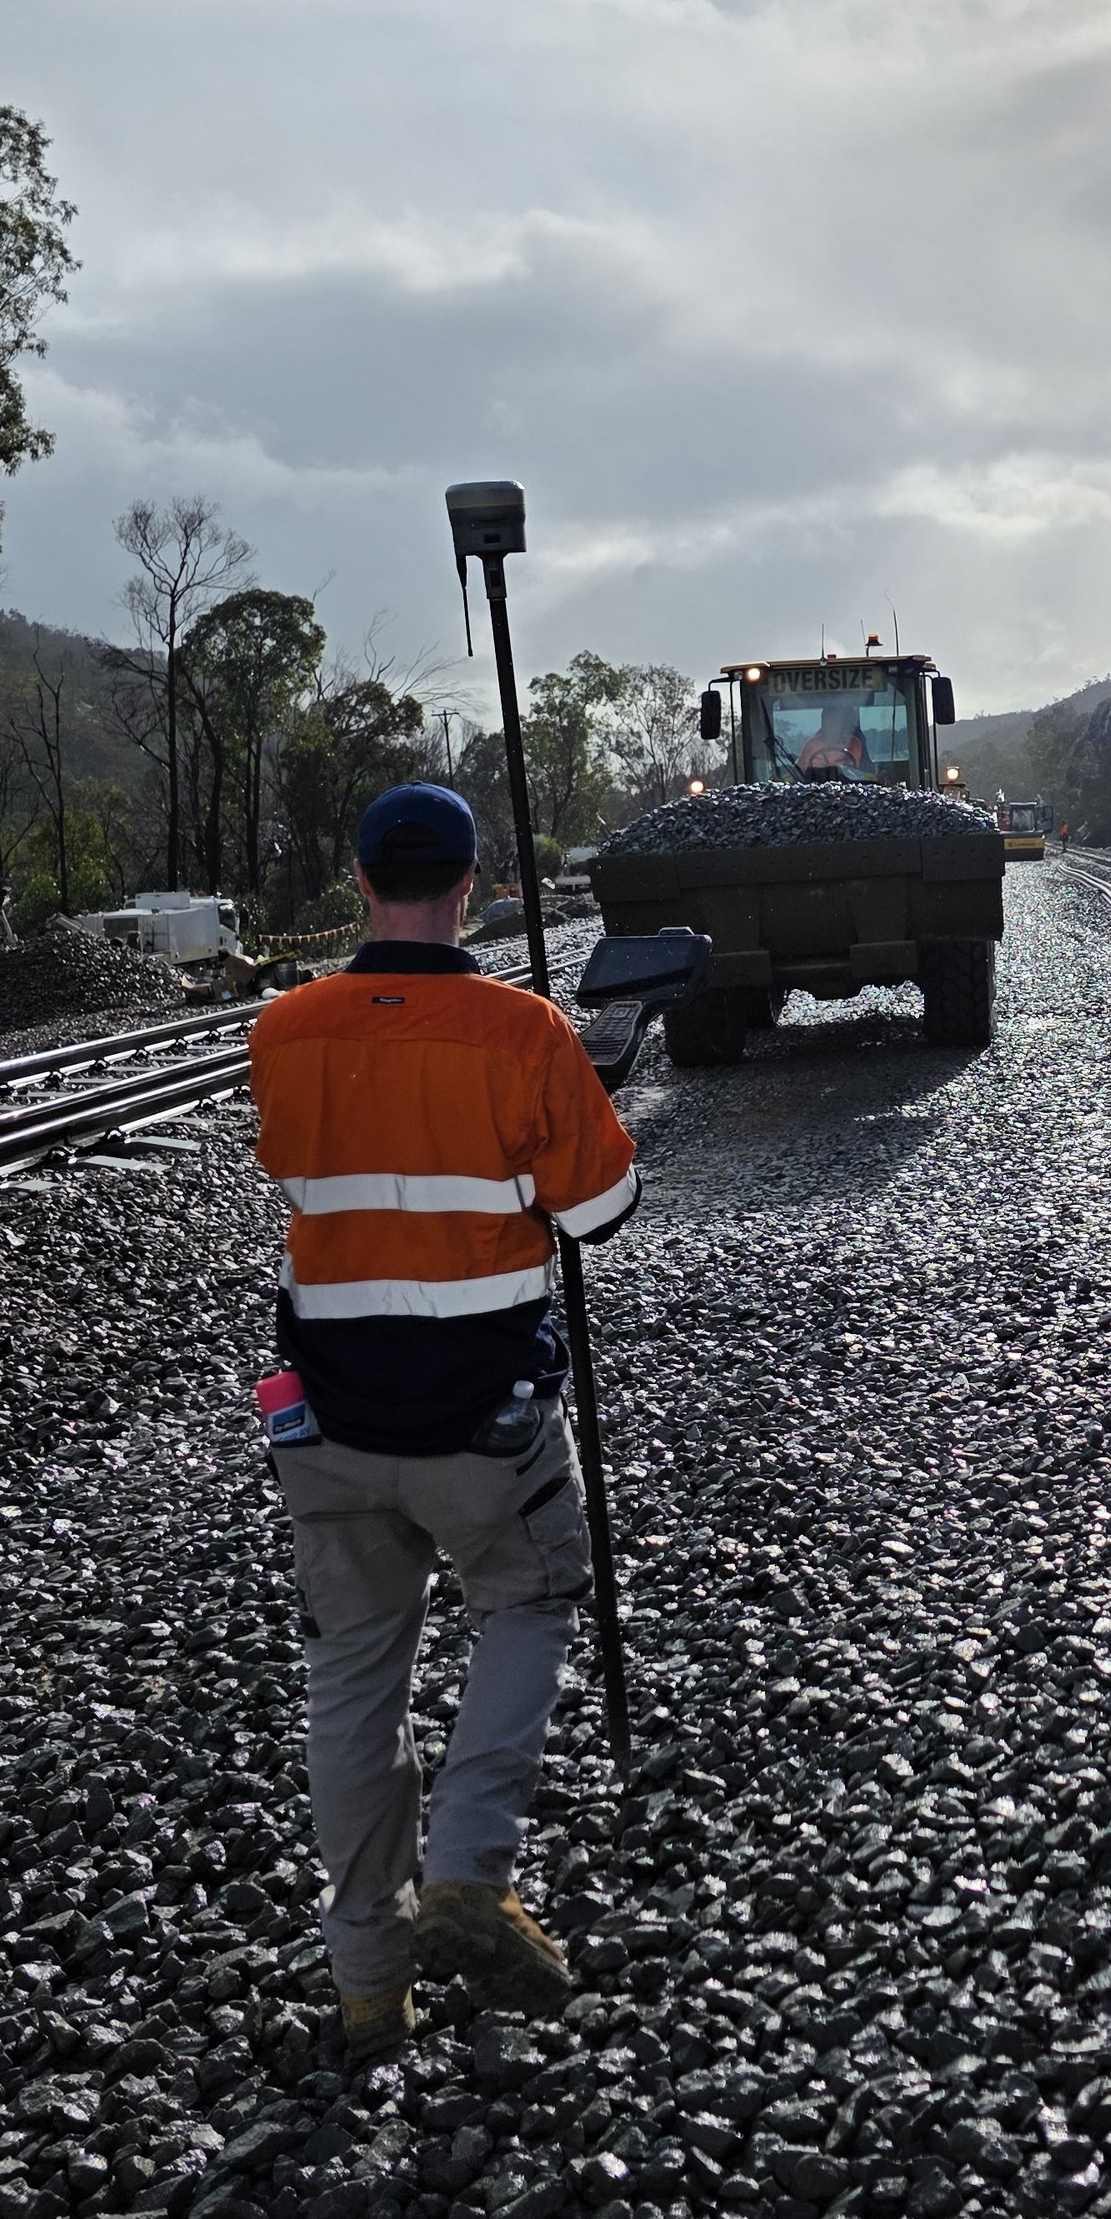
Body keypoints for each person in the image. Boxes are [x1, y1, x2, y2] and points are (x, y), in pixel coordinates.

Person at [245, 783, 641, 2058]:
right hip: (486, 1422)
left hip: (333, 1418)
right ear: (469, 889)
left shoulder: (284, 1030)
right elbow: (598, 1215)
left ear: (359, 881)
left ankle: (368, 1987)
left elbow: (308, 1178)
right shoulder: (522, 1032)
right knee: (525, 1603)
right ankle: (470, 1866)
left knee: (355, 1678)